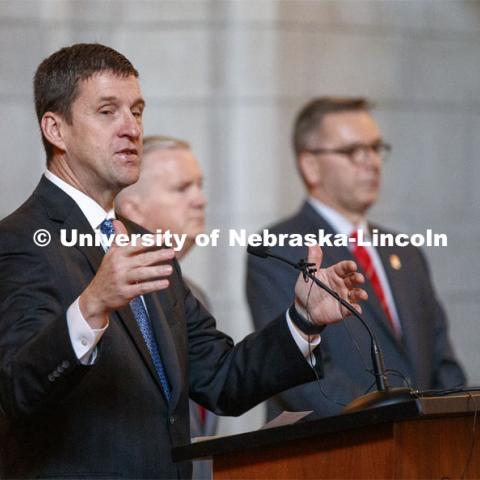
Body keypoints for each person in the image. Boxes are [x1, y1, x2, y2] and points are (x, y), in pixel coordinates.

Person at [0, 45, 366, 479]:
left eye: (136, 111)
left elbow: (222, 379)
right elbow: (17, 388)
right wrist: (91, 307)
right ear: (56, 130)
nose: (130, 128)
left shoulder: (148, 245)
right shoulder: (19, 240)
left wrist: (303, 321)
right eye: (107, 111)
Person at [247, 96, 466, 421]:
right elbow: (301, 377)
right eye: (353, 151)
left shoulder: (404, 251)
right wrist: (388, 422)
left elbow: (441, 362)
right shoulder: (279, 248)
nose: (372, 162)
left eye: (376, 148)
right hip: (341, 451)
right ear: (310, 165)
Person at [116, 135, 217, 479]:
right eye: (181, 189)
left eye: (200, 186)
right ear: (132, 209)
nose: (200, 200)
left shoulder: (196, 296)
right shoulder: (115, 296)